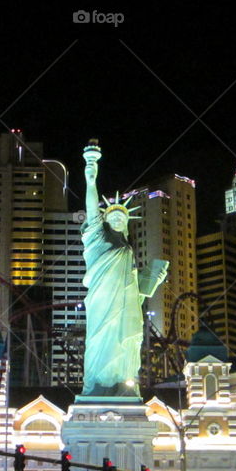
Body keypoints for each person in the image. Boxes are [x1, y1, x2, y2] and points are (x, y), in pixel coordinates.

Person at [79, 139, 167, 398]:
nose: (118, 217)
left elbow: (135, 290)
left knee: (128, 339)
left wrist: (152, 281)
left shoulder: (127, 249)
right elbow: (92, 208)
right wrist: (91, 175)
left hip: (126, 306)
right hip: (102, 302)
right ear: (105, 221)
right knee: (99, 341)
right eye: (113, 216)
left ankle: (122, 384)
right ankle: (96, 385)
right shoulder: (97, 239)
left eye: (122, 216)